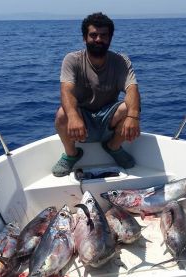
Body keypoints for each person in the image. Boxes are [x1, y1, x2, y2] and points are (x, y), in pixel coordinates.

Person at [52, 12, 141, 177]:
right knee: (62, 113)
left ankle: (113, 147)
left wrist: (133, 117)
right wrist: (73, 116)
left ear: (110, 38)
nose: (98, 39)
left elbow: (132, 90)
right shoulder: (72, 60)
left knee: (130, 108)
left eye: (103, 35)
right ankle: (72, 154)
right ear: (84, 38)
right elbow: (67, 90)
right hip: (81, 119)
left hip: (108, 118)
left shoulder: (121, 61)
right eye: (93, 35)